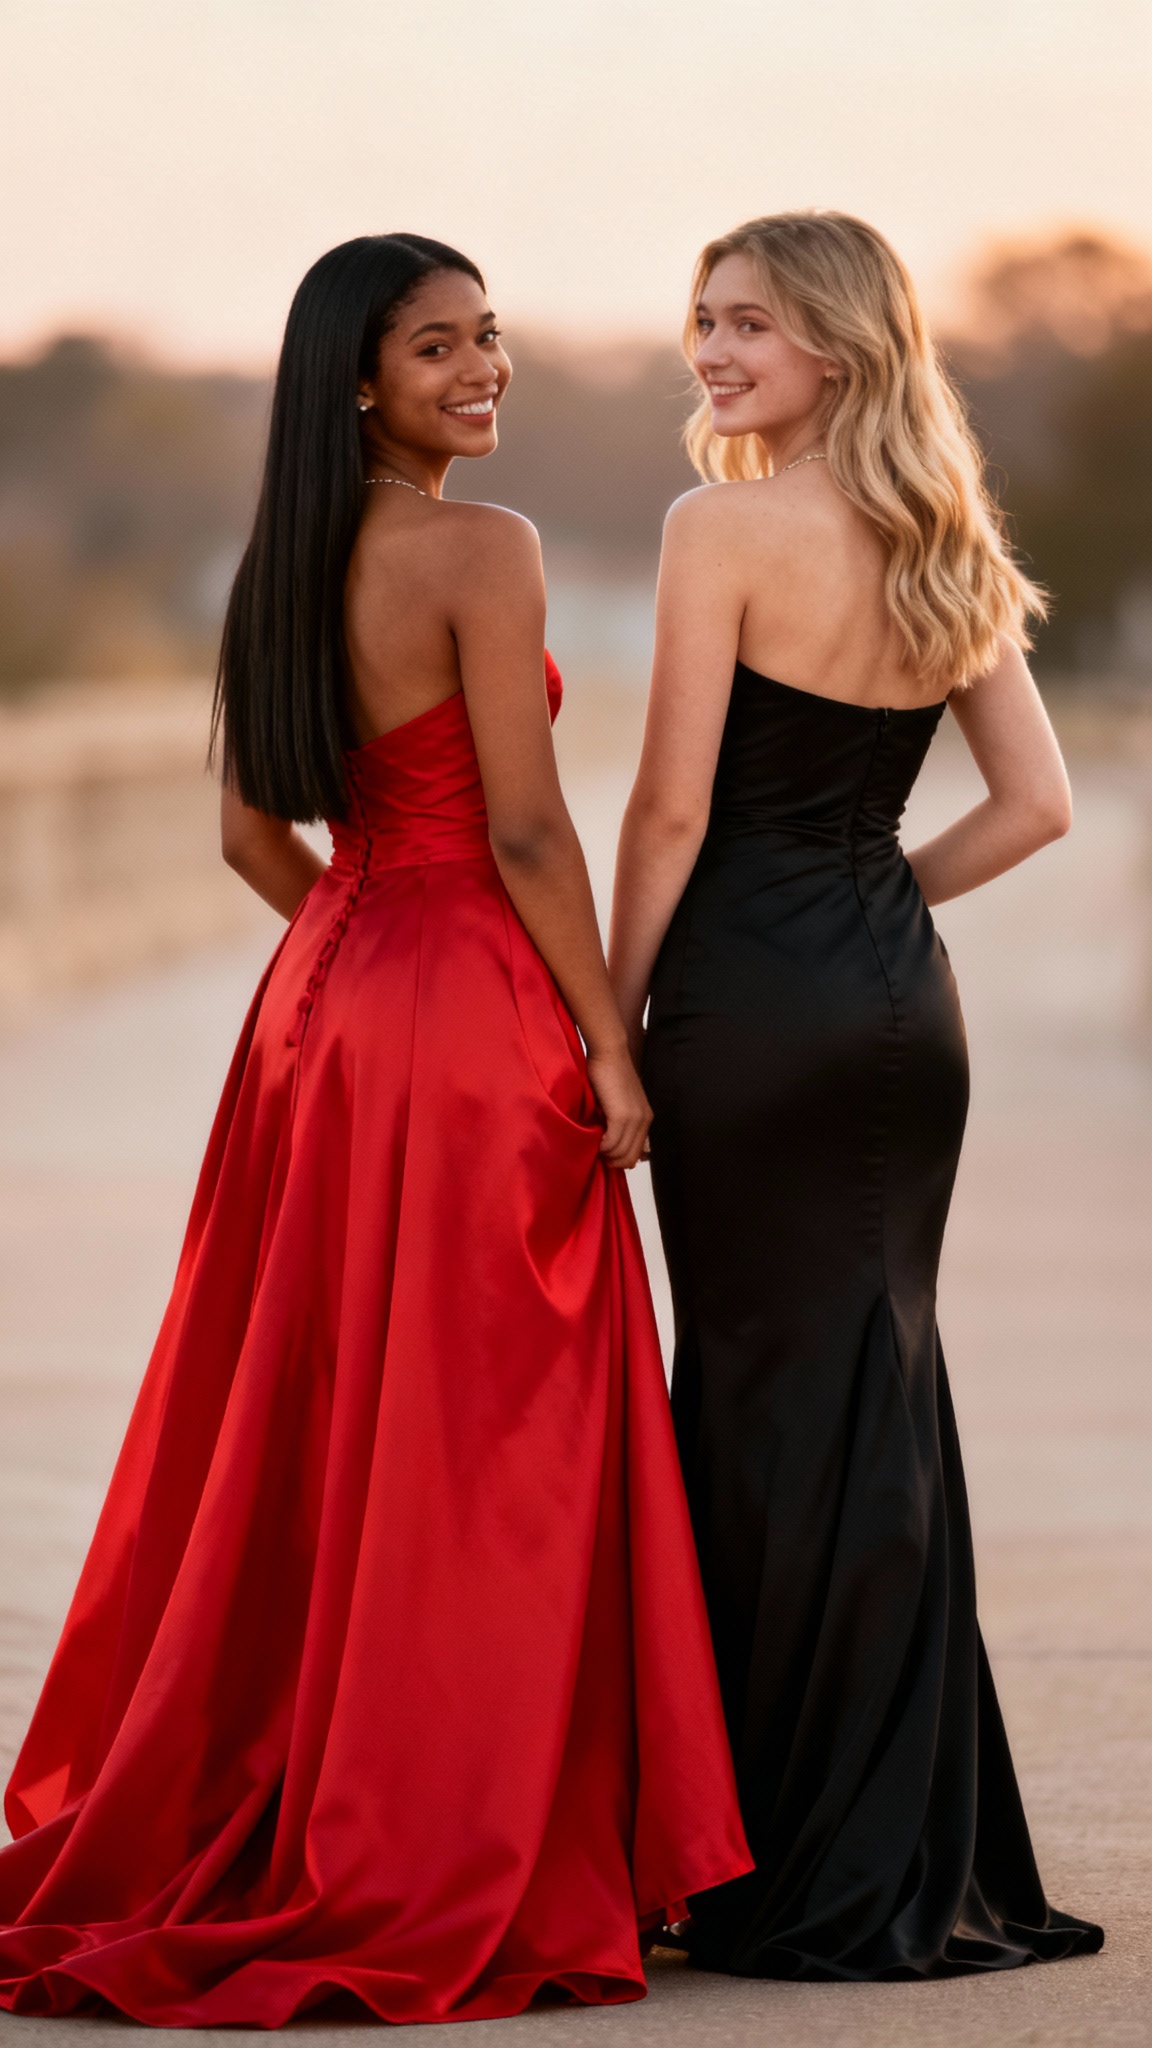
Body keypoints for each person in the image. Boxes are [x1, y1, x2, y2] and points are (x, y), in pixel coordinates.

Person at [0, 233, 750, 2026]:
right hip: (466, 1011)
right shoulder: (486, 550)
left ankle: (303, 1786)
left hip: (321, 1014)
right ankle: (455, 1832)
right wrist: (611, 1048)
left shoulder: (283, 560)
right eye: (439, 349)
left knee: (317, 1411)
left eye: (488, 338)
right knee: (489, 1433)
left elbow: (263, 843)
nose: (480, 370)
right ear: (359, 378)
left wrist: (364, 949)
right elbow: (527, 833)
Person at [609, 211, 1104, 1979]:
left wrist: (606, 1017)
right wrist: (879, 895)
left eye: (749, 324)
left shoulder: (719, 525)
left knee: (753, 1403)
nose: (714, 355)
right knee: (882, 1395)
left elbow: (668, 817)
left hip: (745, 1004)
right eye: (702, 324)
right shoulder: (936, 528)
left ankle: (785, 1857)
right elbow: (1034, 803)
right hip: (900, 1001)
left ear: (836, 341)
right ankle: (904, 1843)